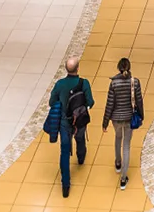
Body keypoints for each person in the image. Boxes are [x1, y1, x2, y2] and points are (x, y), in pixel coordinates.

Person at [50, 57, 95, 198]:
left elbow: (52, 102)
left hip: (64, 122)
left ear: (66, 69)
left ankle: (65, 185)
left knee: (64, 151)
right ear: (78, 68)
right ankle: (80, 157)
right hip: (79, 120)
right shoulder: (84, 83)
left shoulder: (60, 84)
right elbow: (91, 102)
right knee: (80, 138)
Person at [102, 58, 145, 189]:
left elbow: (109, 104)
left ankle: (118, 163)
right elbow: (139, 101)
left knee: (117, 138)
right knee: (126, 145)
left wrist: (105, 122)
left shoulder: (114, 84)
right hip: (129, 118)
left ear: (118, 68)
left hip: (116, 119)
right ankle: (123, 179)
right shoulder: (135, 82)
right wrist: (142, 116)